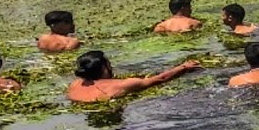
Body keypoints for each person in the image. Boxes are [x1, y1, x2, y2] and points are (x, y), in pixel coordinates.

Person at [66, 50, 200, 103]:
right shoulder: (122, 84)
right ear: (104, 68)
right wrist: (184, 67)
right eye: (109, 63)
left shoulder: (75, 84)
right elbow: (160, 79)